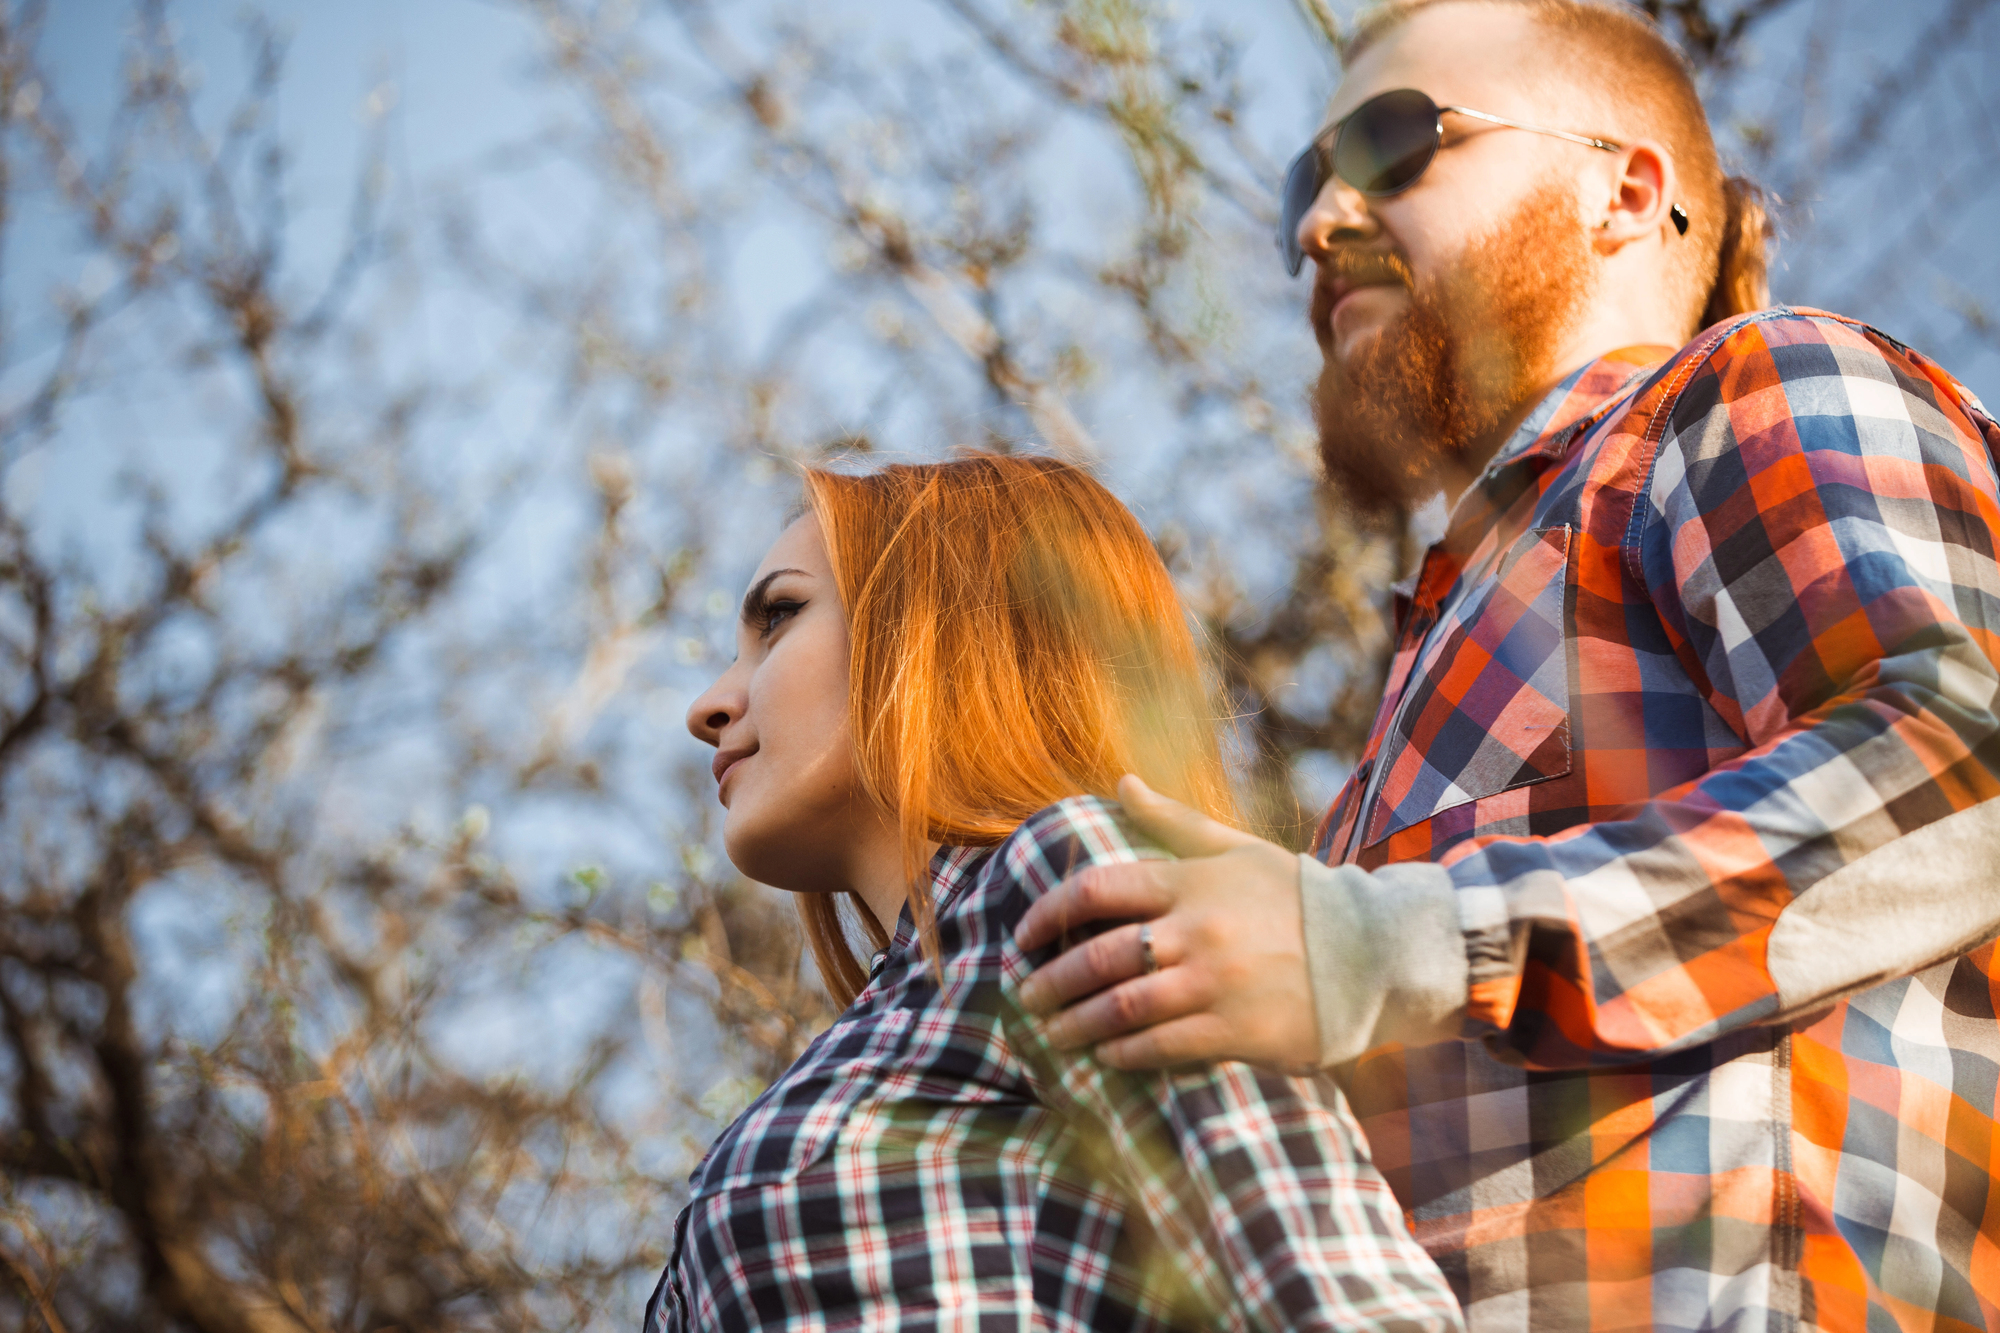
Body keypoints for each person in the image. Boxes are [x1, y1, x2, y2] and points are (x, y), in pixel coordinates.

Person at [1010, 2, 2000, 1329]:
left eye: (1394, 142)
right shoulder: (1411, 699)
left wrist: (1389, 942)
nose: (1319, 223)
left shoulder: (1751, 387)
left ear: (1623, 190)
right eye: (1307, 185)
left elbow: (1966, 763)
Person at [648, 453, 1463, 1331]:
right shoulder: (887, 1022)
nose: (709, 704)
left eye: (779, 616)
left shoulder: (1066, 883)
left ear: (947, 625)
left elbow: (1332, 1292)